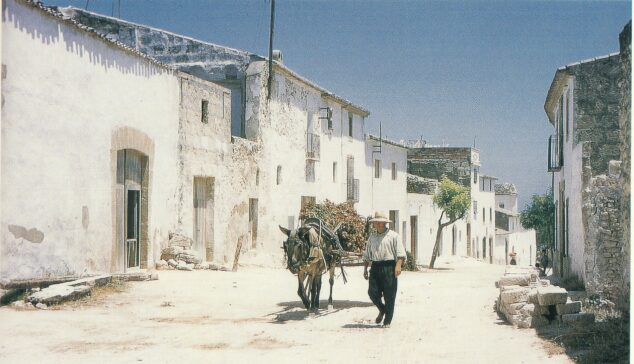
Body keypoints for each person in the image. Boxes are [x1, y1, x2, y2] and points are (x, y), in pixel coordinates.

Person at [363, 211, 406, 328]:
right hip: (375, 267)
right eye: (378, 223)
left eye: (383, 223)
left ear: (386, 223)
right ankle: (382, 309)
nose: (380, 225)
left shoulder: (393, 236)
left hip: (389, 267)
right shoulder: (372, 237)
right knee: (372, 293)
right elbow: (367, 255)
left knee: (389, 295)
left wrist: (398, 266)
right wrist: (365, 269)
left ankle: (387, 321)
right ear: (374, 224)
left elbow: (401, 253)